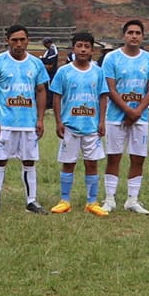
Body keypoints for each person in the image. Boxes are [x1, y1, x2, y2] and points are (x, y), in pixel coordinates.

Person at [0, 24, 48, 214]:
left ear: (28, 41)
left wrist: (41, 119)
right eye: (14, 40)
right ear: (7, 41)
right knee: (1, 159)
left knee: (29, 161)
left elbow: (41, 91)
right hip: (6, 123)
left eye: (22, 40)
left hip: (29, 123)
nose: (19, 44)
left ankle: (31, 200)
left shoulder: (36, 63)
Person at [99, 18, 149, 214]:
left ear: (142, 36)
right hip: (115, 116)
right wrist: (127, 110)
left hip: (140, 117)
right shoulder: (111, 58)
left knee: (138, 158)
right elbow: (110, 88)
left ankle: (132, 200)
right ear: (123, 35)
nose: (134, 36)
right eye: (130, 33)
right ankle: (109, 199)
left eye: (138, 33)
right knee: (114, 157)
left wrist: (137, 111)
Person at [47, 31, 109, 215]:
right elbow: (57, 97)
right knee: (68, 163)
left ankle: (92, 202)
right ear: (73, 48)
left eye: (87, 46)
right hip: (70, 126)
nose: (83, 49)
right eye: (79, 46)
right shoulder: (64, 71)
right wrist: (58, 122)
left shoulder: (98, 72)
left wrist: (102, 121)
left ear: (92, 50)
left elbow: (103, 97)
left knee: (92, 163)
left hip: (91, 126)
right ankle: (65, 200)